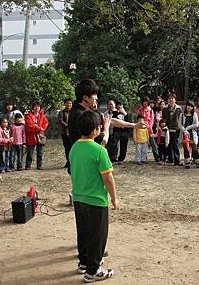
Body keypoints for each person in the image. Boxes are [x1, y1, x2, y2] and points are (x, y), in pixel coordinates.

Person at [69, 110, 119, 282]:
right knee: (98, 236)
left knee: (83, 233)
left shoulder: (74, 147)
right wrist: (114, 198)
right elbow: (108, 178)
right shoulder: (99, 151)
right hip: (96, 200)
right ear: (95, 130)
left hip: (78, 198)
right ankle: (93, 271)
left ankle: (83, 263)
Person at [24, 102, 49, 170]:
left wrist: (43, 128)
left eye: (38, 106)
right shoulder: (28, 115)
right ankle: (28, 166)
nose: (37, 108)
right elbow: (29, 126)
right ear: (33, 107)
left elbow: (46, 122)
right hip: (31, 136)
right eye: (35, 106)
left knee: (40, 152)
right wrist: (39, 128)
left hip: (40, 135)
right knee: (30, 152)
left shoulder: (42, 115)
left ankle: (39, 165)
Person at [179, 101, 199, 169]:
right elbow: (179, 124)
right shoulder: (182, 115)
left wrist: (188, 127)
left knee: (194, 147)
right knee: (186, 148)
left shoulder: (194, 114)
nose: (189, 107)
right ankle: (187, 162)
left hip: (192, 133)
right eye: (188, 106)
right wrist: (184, 130)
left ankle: (197, 161)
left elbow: (196, 124)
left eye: (191, 106)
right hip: (184, 133)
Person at [162, 93, 182, 165]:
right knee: (169, 144)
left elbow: (180, 118)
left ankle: (177, 160)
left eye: (172, 98)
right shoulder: (164, 108)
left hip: (176, 129)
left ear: (175, 100)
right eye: (169, 98)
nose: (171, 100)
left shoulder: (179, 109)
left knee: (175, 144)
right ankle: (170, 159)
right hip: (167, 129)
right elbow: (163, 118)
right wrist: (163, 123)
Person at [138, 97, 160, 162]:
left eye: (146, 101)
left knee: (153, 144)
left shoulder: (150, 110)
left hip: (149, 129)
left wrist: (149, 128)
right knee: (143, 144)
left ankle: (157, 157)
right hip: (141, 129)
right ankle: (143, 158)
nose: (145, 103)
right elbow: (138, 119)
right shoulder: (140, 110)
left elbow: (152, 121)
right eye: (144, 101)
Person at [58, 98, 72, 168]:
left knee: (73, 148)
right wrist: (68, 125)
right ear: (64, 104)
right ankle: (68, 162)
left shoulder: (74, 112)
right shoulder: (61, 112)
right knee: (67, 148)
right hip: (65, 133)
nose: (69, 104)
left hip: (73, 133)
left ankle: (72, 162)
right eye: (67, 103)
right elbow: (60, 121)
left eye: (70, 103)